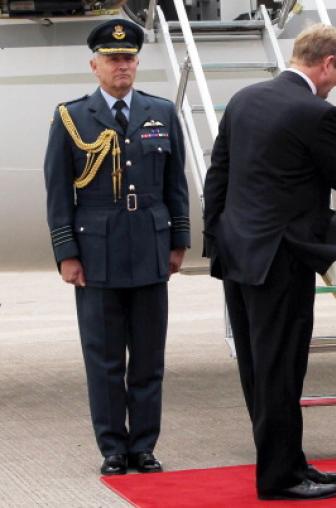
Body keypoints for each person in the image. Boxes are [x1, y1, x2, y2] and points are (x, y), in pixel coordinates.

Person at [202, 24, 336, 501]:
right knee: (281, 369)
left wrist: (217, 240)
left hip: (240, 255)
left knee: (259, 368)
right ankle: (280, 478)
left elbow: (217, 173)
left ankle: (289, 460)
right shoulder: (316, 113)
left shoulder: (243, 99)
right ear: (326, 62)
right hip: (281, 261)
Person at [43, 19, 190, 475]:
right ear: (95, 65)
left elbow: (175, 183)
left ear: (137, 63)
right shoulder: (71, 117)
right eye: (112, 58)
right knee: (104, 359)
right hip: (97, 253)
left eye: (127, 58)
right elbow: (57, 191)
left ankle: (143, 445)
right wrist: (67, 253)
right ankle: (112, 448)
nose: (121, 65)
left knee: (148, 358)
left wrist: (178, 241)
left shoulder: (162, 111)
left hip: (149, 247)